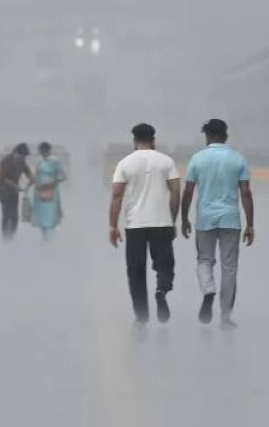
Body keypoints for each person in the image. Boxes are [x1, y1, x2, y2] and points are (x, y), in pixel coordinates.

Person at [180, 119, 254, 329]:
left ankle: (208, 290)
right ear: (225, 135)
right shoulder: (238, 159)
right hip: (231, 219)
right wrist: (250, 224)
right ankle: (226, 316)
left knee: (205, 260)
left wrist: (184, 217)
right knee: (229, 267)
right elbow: (246, 193)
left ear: (207, 136)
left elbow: (188, 191)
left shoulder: (197, 159)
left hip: (205, 219)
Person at [108, 123, 181, 325]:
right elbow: (175, 192)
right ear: (154, 140)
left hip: (135, 225)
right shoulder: (166, 161)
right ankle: (161, 290)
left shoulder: (125, 163)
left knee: (135, 270)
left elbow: (116, 196)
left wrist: (113, 226)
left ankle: (141, 316)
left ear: (134, 140)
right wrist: (172, 219)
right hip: (162, 223)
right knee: (165, 264)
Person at [30, 142, 68, 240]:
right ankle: (44, 236)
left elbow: (63, 176)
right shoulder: (38, 161)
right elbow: (35, 175)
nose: (42, 153)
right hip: (39, 191)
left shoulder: (55, 161)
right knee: (41, 213)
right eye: (41, 151)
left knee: (51, 214)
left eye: (44, 151)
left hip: (52, 191)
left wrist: (53, 182)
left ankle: (50, 237)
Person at [0, 143, 33, 240]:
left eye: (24, 157)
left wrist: (33, 179)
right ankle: (5, 236)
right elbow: (5, 178)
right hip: (4, 191)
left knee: (14, 215)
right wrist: (17, 186)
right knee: (6, 213)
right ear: (16, 153)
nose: (23, 158)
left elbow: (28, 173)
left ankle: (12, 236)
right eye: (22, 156)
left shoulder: (22, 162)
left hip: (14, 192)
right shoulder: (6, 161)